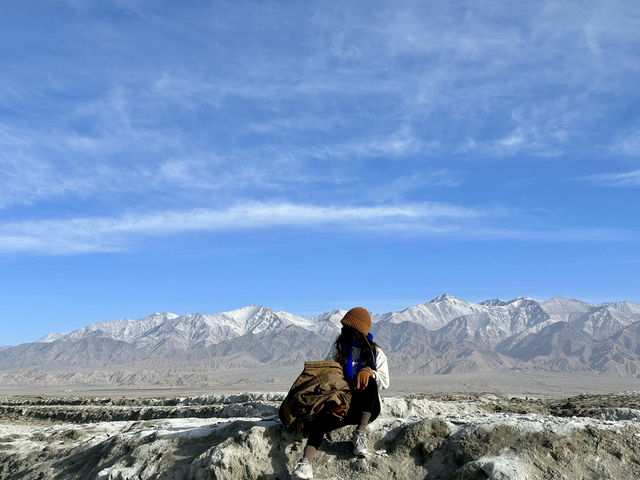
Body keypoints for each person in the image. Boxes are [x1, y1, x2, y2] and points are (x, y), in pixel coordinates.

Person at [292, 307, 390, 479]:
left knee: (370, 381)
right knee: (320, 420)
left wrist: (369, 372)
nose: (349, 333)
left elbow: (385, 381)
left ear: (361, 331)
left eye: (353, 330)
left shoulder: (376, 352)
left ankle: (360, 433)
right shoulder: (338, 348)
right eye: (347, 328)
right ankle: (306, 463)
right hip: (342, 404)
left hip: (366, 408)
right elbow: (327, 373)